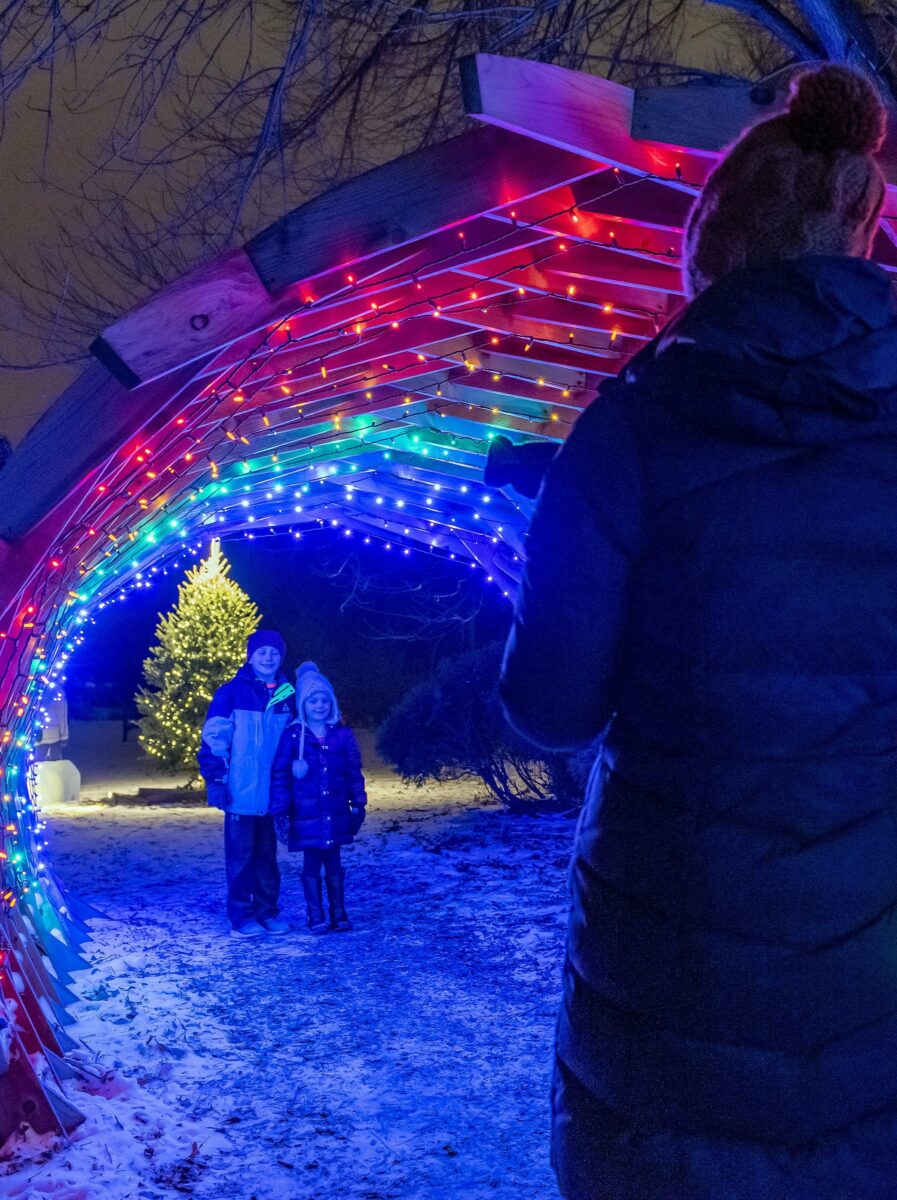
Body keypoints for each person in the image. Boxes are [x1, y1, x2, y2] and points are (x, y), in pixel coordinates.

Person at [500, 66, 897, 1200]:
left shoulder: (632, 430)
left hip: (672, 991)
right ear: (863, 235)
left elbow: (549, 708)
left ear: (714, 245)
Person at [198, 629, 295, 938]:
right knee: (240, 859)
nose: (268, 657)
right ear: (250, 656)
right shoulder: (231, 693)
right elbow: (215, 739)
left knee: (268, 860)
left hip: (272, 795)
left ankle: (268, 912)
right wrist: (216, 780)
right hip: (240, 792)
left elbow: (296, 741)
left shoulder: (288, 695)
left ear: (280, 658)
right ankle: (241, 916)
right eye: (262, 652)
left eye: (274, 653)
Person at [271, 661, 366, 934]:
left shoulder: (343, 736)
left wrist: (358, 804)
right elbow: (280, 774)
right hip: (305, 814)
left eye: (325, 700)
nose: (319, 705)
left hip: (334, 811)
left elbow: (353, 771)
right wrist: (281, 812)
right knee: (311, 862)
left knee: (334, 860)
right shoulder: (292, 736)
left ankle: (339, 912)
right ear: (303, 704)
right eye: (313, 700)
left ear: (332, 704)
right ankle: (316, 915)